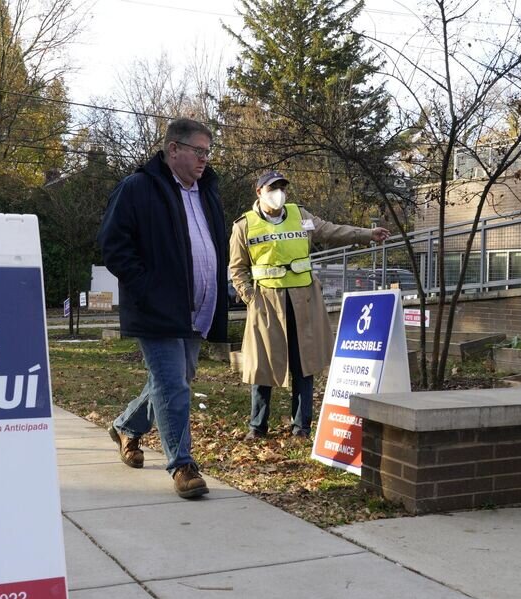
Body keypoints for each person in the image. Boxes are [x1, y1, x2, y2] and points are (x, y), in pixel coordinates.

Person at [97, 118, 228, 499]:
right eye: (198, 151)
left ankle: (126, 426)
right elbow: (113, 244)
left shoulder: (207, 192)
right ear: (173, 149)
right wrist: (146, 288)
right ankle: (182, 465)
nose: (204, 159)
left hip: (197, 309)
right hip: (156, 310)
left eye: (207, 152)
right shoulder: (139, 187)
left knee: (175, 381)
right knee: (172, 384)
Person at [229, 170, 389, 441]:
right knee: (263, 365)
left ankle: (301, 426)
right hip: (267, 304)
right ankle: (257, 426)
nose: (278, 193)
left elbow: (331, 231)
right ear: (259, 192)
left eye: (282, 187)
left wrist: (367, 233)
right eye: (272, 188)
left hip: (303, 301)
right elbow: (237, 267)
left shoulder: (300, 215)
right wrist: (250, 297)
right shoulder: (244, 226)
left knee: (304, 363)